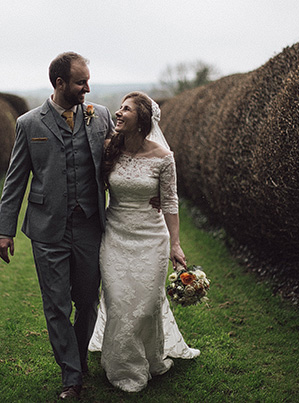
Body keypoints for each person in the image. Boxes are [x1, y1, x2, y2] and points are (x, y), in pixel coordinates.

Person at [0, 52, 115, 400]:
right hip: (48, 229)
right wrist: (5, 231)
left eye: (88, 80)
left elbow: (120, 160)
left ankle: (78, 358)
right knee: (57, 304)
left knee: (87, 301)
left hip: (90, 225)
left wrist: (149, 191)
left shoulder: (100, 117)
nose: (87, 88)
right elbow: (15, 181)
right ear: (60, 83)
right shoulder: (29, 124)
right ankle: (71, 376)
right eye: (81, 82)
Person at [88, 91, 200, 393]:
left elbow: (170, 201)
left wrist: (176, 245)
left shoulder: (164, 158)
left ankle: (151, 357)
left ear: (142, 119)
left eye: (127, 109)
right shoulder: (109, 148)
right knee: (118, 301)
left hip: (152, 238)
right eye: (119, 107)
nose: (119, 113)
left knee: (146, 304)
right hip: (115, 234)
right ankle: (122, 368)